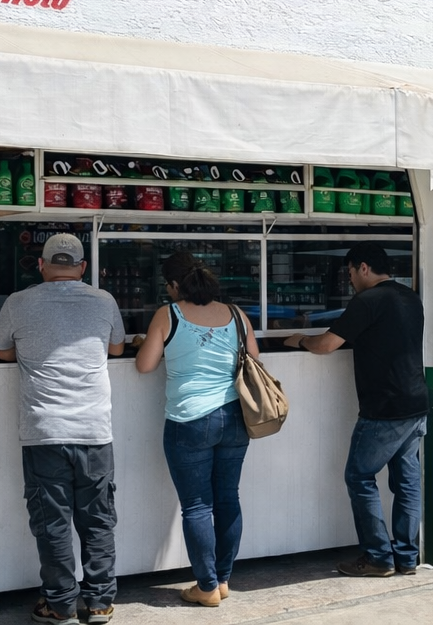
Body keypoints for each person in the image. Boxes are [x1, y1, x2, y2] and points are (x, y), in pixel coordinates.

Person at [0, 234, 124, 625]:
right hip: (94, 430)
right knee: (97, 518)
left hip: (45, 430)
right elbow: (115, 349)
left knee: (52, 522)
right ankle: (99, 603)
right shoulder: (104, 301)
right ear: (83, 267)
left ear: (41, 265)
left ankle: (60, 605)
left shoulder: (19, 302)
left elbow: (2, 351)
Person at [284, 242, 427, 577]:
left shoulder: (368, 300)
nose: (349, 279)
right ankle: (406, 557)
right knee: (407, 482)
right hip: (415, 403)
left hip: (384, 407)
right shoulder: (410, 297)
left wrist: (299, 339)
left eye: (349, 271)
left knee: (359, 475)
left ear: (363, 267)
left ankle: (378, 557)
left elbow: (327, 344)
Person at [135, 251, 260, 608]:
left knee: (197, 506)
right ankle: (221, 580)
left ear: (174, 285)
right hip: (235, 417)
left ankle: (205, 586)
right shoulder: (236, 314)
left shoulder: (168, 314)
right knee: (227, 498)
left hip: (190, 420)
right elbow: (255, 358)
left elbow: (145, 365)